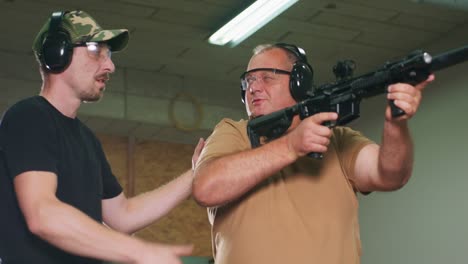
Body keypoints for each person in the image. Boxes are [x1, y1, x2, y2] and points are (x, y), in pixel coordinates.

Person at [192, 43, 434, 264]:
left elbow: (391, 175)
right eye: (249, 80)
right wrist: (291, 146)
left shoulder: (337, 141)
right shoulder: (234, 133)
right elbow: (205, 187)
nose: (253, 88)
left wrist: (396, 124)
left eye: (266, 77)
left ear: (299, 83)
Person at [0, 10, 204, 264]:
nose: (110, 66)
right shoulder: (29, 117)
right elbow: (43, 214)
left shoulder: (86, 139)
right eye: (96, 50)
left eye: (109, 55)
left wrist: (196, 174)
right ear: (58, 53)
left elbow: (123, 216)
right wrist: (139, 251)